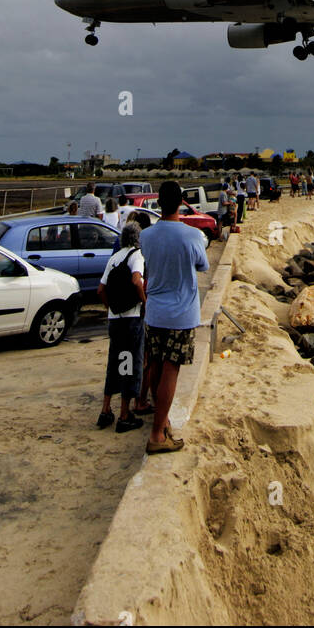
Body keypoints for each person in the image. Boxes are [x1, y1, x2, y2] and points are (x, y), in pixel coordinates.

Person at [139, 181, 209, 454]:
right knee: (171, 369)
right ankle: (157, 433)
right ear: (181, 202)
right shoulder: (190, 235)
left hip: (155, 311)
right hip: (181, 313)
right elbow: (203, 264)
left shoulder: (146, 236)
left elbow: (148, 261)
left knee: (154, 365)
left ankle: (162, 421)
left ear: (159, 202)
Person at [96, 222, 146, 433]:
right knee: (129, 363)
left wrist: (111, 308)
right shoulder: (137, 255)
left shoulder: (113, 258)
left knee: (114, 362)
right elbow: (137, 280)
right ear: (137, 238)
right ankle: (125, 414)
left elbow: (100, 290)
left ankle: (106, 409)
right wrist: (144, 302)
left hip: (114, 319)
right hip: (130, 318)